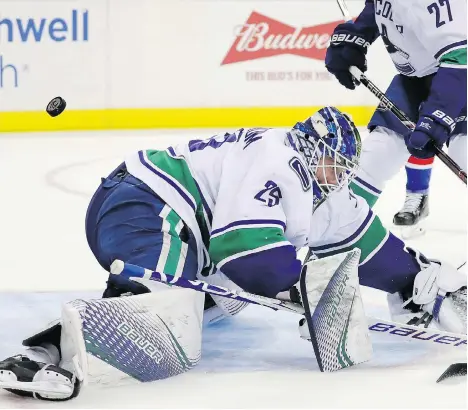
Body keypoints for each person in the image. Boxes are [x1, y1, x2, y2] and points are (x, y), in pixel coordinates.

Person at [0, 106, 465, 401]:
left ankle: (146, 299)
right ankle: (42, 356)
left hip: (183, 227)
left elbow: (363, 241)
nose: (338, 175)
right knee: (161, 315)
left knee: (223, 299)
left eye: (344, 168)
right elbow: (244, 251)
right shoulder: (278, 158)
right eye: (333, 163)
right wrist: (296, 285)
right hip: (143, 203)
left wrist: (413, 278)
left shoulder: (324, 181)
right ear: (310, 147)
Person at [325, 0, 467, 237]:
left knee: (465, 153)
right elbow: (381, 7)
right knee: (376, 157)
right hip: (415, 79)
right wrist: (357, 35)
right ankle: (337, 240)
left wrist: (437, 117)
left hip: (459, 77)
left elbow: (460, 57)